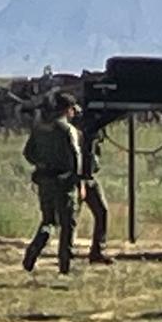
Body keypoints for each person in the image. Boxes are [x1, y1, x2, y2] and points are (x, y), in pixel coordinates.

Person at [22, 91, 83, 275]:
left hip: (44, 180)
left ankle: (32, 252)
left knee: (48, 221)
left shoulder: (40, 128)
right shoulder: (67, 130)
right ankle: (65, 265)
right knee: (67, 223)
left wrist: (41, 165)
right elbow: (75, 158)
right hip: (64, 182)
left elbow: (28, 153)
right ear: (68, 109)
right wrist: (78, 182)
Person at [79, 121, 113, 264]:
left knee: (102, 211)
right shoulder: (77, 132)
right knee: (66, 218)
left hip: (89, 178)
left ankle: (97, 251)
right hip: (78, 178)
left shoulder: (92, 136)